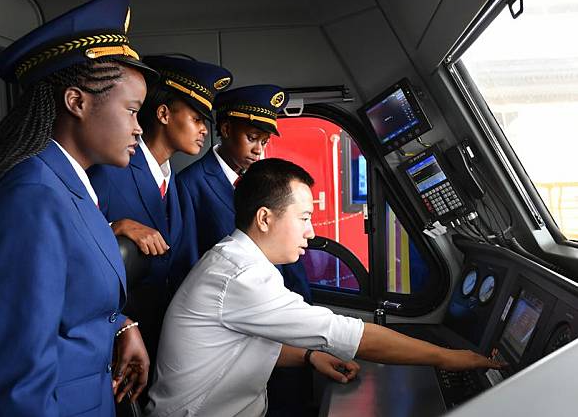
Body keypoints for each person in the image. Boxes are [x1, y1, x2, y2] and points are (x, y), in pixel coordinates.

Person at [146, 158, 502, 417]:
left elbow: (244, 344)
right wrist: (449, 358)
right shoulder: (241, 275)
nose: (312, 232)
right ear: (265, 219)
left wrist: (310, 355)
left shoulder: (240, 261)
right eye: (303, 218)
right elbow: (348, 333)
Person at [0, 0, 155, 416]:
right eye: (132, 111)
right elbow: (13, 387)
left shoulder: (68, 186)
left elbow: (68, 303)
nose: (138, 130)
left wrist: (120, 325)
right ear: (76, 102)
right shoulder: (31, 201)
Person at [88, 55, 233, 388]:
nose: (202, 131)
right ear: (164, 114)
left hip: (161, 342)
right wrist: (112, 229)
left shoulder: (174, 183)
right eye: (196, 118)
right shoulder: (110, 170)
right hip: (113, 345)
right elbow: (70, 251)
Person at [176, 85, 315, 415]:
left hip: (281, 313)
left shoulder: (263, 180)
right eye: (252, 137)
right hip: (239, 322)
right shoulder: (192, 184)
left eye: (265, 142)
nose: (259, 149)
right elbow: (190, 259)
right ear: (225, 130)